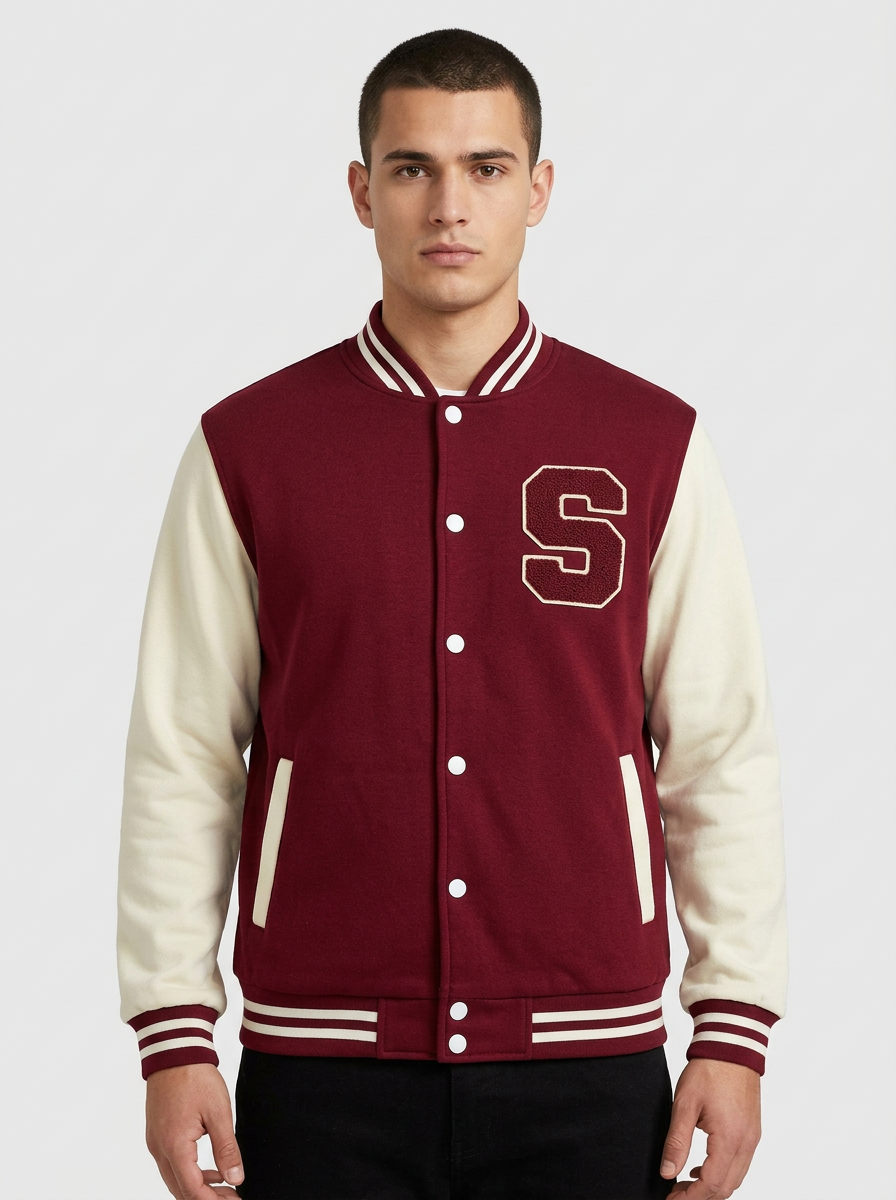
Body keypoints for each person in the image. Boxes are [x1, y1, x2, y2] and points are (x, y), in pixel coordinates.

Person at [117, 27, 787, 1200]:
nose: (448, 205)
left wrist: (730, 1027)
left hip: (589, 1053)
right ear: (359, 192)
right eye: (411, 168)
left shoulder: (650, 442)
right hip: (321, 1060)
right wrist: (173, 1034)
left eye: (485, 167)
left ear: (538, 189)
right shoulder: (248, 447)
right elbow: (182, 754)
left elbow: (718, 749)